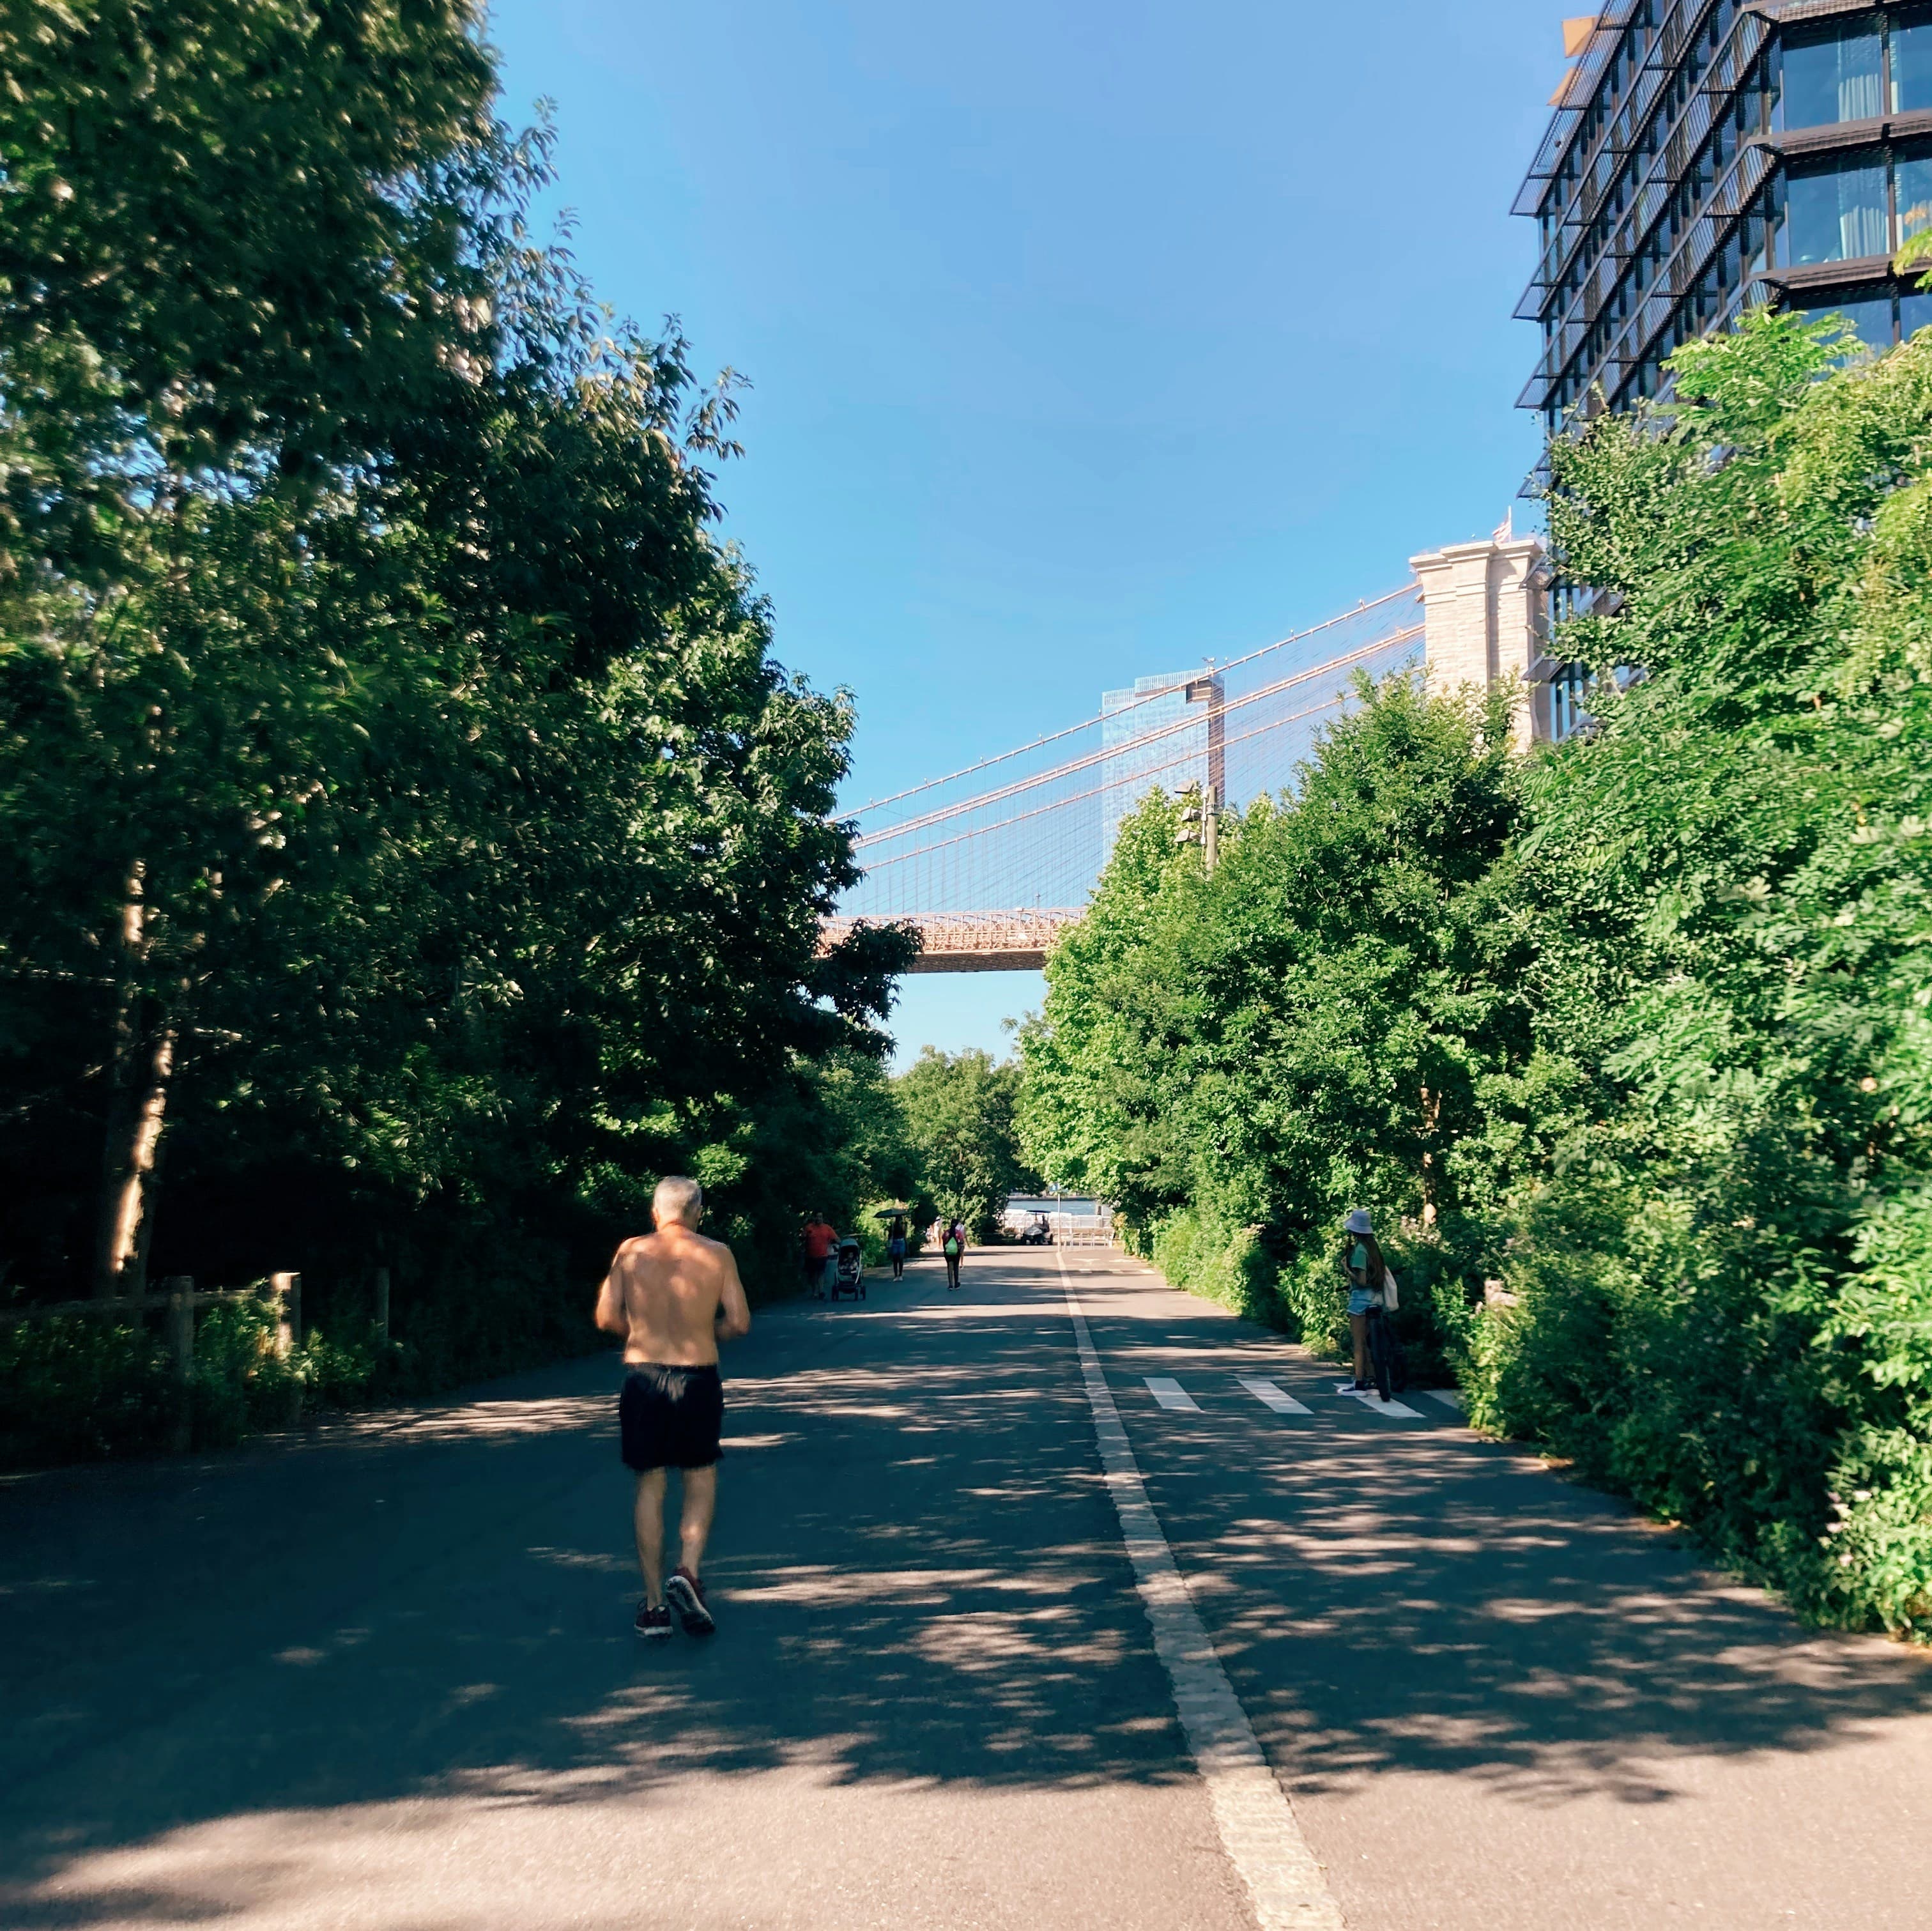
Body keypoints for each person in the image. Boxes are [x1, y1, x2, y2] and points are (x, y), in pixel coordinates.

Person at [595, 1175, 752, 1640]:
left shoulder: (630, 1251)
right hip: (698, 1377)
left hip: (643, 1378)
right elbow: (740, 1323)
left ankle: (655, 1606)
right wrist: (709, 1332)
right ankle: (688, 1570)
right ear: (697, 1212)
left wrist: (643, 1333)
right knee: (700, 1476)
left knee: (650, 1485)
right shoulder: (718, 1253)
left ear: (655, 1211)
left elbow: (606, 1317)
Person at [1338, 1206, 1388, 1394]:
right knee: (1369, 1342)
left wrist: (1347, 1269)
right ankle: (1374, 1377)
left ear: (1354, 1230)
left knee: (1358, 1343)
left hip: (1361, 1299)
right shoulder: (1373, 1248)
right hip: (1377, 1298)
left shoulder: (1360, 1250)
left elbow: (1362, 1280)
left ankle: (1359, 1382)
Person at [801, 1212, 836, 1299]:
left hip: (822, 1255)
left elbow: (835, 1238)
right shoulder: (809, 1228)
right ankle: (814, 1291)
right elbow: (802, 1237)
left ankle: (821, 1291)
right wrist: (803, 1237)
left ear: (823, 1218)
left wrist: (842, 1244)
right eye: (817, 1217)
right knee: (812, 1275)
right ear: (814, 1218)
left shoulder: (827, 1228)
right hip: (810, 1256)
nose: (818, 1219)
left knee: (821, 1273)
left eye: (820, 1217)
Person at [941, 1217, 966, 1291]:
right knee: (956, 1267)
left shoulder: (946, 1233)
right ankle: (956, 1283)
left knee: (950, 1268)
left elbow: (943, 1242)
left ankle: (950, 1284)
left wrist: (945, 1251)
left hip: (948, 1252)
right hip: (956, 1252)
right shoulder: (958, 1233)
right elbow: (961, 1243)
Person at [886, 1214, 908, 1281]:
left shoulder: (902, 1226)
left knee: (900, 1259)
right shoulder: (893, 1226)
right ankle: (897, 1275)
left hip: (900, 1242)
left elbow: (904, 1235)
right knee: (896, 1259)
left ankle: (899, 1275)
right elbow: (890, 1235)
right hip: (897, 1242)